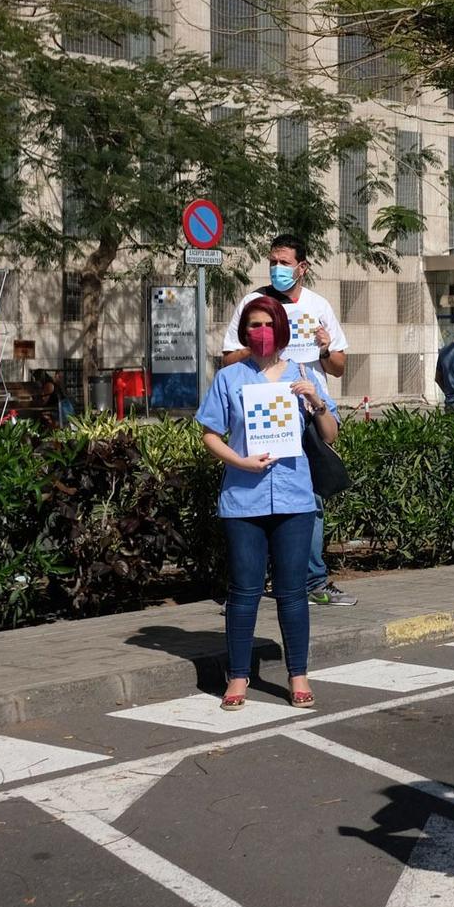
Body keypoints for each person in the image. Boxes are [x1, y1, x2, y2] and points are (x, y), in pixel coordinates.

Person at [198, 296, 339, 711]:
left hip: (295, 498)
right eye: (253, 325)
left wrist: (315, 400)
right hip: (244, 499)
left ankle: (298, 675)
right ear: (245, 332)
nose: (260, 332)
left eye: (267, 325)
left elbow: (329, 435)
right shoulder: (230, 377)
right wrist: (240, 461)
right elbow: (209, 434)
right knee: (243, 592)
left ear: (282, 329)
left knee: (293, 593)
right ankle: (238, 677)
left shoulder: (302, 374)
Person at [219, 234, 356, 607]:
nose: (277, 268)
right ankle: (250, 584)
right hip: (260, 410)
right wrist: (264, 340)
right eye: (273, 261)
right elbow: (228, 358)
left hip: (306, 410)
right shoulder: (253, 304)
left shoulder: (319, 306)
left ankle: (310, 580)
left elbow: (340, 367)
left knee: (308, 498)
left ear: (302, 267)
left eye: (284, 262)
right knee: (255, 496)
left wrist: (326, 346)